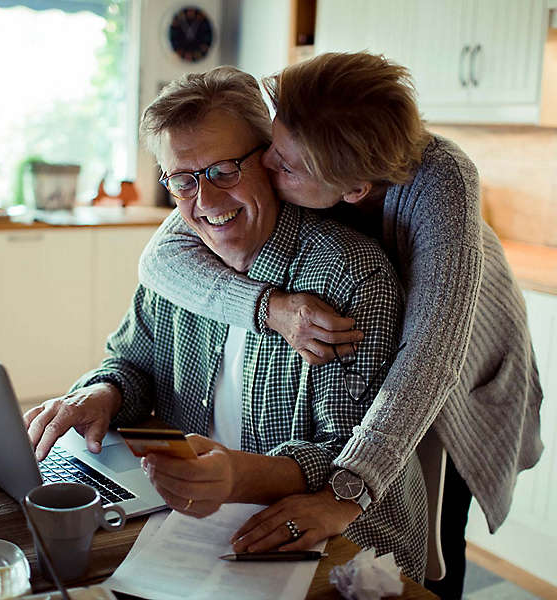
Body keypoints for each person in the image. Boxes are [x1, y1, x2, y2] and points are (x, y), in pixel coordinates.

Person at [138, 52, 544, 599]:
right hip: (409, 355)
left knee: (435, 542)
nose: (266, 170)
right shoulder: (308, 153)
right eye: (266, 153)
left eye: (280, 166)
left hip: (464, 376)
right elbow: (159, 257)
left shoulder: (439, 185)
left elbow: (431, 358)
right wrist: (271, 307)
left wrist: (345, 496)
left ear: (352, 191)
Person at [25, 65, 428, 582]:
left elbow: (352, 457)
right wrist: (100, 394)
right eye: (183, 180)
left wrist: (236, 477)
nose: (206, 202)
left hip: (336, 544)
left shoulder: (348, 276)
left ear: (271, 159)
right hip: (193, 526)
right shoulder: (180, 259)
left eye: (223, 171)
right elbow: (129, 361)